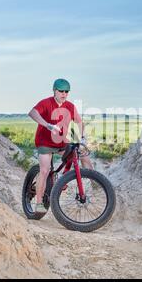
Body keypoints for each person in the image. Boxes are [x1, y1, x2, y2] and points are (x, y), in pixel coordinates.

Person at [28, 79, 94, 213]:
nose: (64, 94)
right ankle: (39, 203)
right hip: (45, 142)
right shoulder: (46, 103)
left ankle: (96, 184)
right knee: (45, 170)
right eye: (61, 91)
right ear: (54, 91)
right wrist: (48, 125)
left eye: (66, 92)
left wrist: (82, 138)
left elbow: (80, 122)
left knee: (82, 155)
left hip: (61, 141)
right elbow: (32, 113)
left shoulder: (69, 106)